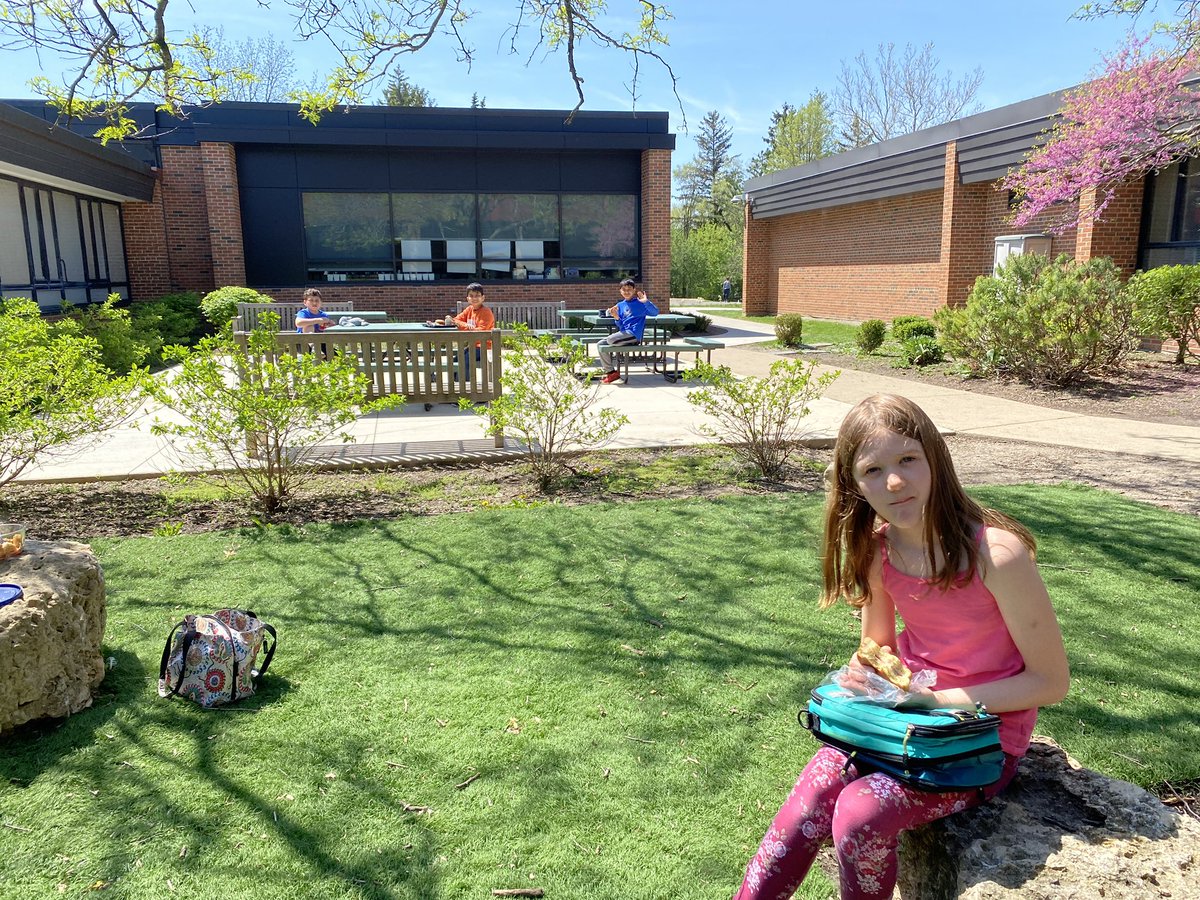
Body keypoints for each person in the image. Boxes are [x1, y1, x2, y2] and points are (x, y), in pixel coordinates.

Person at [732, 394, 1069, 900]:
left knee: (860, 812)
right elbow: (877, 647)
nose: (894, 482)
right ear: (854, 485)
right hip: (903, 722)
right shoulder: (879, 549)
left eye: (908, 459)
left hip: (980, 741)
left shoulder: (996, 555)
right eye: (873, 469)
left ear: (935, 457)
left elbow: (1050, 681)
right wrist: (866, 674)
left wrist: (937, 701)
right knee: (810, 799)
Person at [597, 277, 659, 384]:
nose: (626, 291)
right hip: (625, 334)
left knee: (611, 340)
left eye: (629, 289)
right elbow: (622, 327)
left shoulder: (641, 303)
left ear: (634, 290)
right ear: (620, 291)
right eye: (624, 289)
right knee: (600, 344)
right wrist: (616, 317)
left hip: (634, 335)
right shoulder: (620, 305)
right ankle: (611, 372)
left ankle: (625, 347)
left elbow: (655, 312)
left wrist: (646, 301)